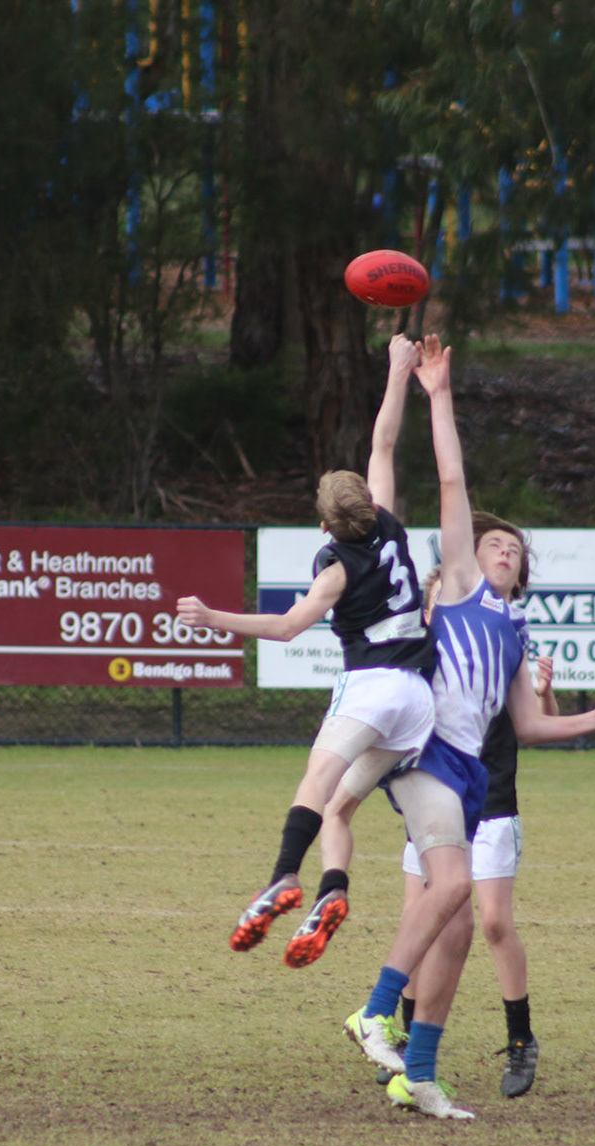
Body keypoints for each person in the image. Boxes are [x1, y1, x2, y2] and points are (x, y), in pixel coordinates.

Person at [339, 335, 595, 1119]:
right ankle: (375, 1009)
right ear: (469, 557)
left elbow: (528, 726)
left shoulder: (513, 630)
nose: (504, 549)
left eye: (514, 547)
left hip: (469, 773)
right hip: (426, 753)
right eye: (492, 542)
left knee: (456, 929)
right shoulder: (459, 589)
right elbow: (450, 480)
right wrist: (437, 393)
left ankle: (418, 1073)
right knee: (451, 892)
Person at [178, 335, 435, 968]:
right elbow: (383, 443)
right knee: (341, 806)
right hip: (418, 702)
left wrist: (213, 618)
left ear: (324, 526)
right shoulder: (389, 524)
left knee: (316, 784)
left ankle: (283, 876)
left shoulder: (335, 568)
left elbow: (290, 627)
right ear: (368, 504)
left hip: (372, 685)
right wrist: (397, 371)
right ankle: (331, 892)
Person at [391, 553, 556, 1100]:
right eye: (436, 599)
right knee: (421, 920)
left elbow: (536, 723)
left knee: (494, 924)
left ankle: (520, 1039)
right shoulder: (420, 653)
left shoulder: (499, 643)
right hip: (435, 806)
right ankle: (405, 1042)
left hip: (492, 803)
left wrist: (547, 692)